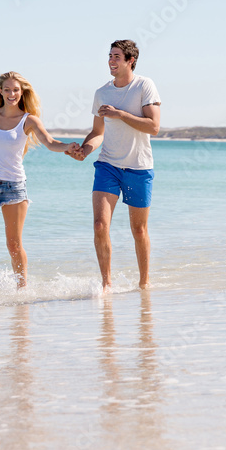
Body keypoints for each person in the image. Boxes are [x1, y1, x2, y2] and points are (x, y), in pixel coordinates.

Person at [0, 72, 77, 296]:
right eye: (7, 90)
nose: (11, 94)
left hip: (14, 186)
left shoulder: (29, 120)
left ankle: (22, 289)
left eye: (15, 90)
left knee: (13, 244)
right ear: (0, 92)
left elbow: (50, 142)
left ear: (21, 92)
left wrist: (67, 147)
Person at [67, 40, 161, 293]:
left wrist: (120, 114)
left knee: (139, 230)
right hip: (108, 165)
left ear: (130, 60)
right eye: (110, 56)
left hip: (139, 167)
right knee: (100, 225)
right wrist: (85, 150)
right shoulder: (102, 93)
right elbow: (98, 132)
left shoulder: (144, 85)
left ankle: (144, 283)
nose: (111, 61)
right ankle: (106, 284)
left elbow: (153, 126)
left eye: (117, 57)